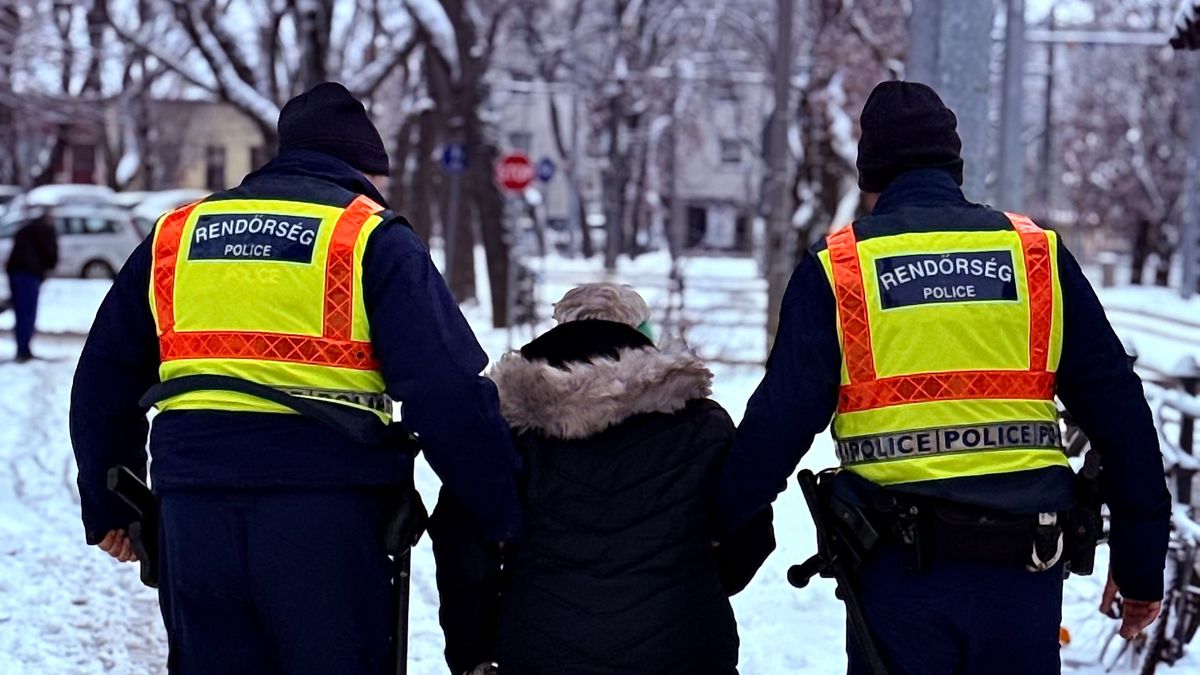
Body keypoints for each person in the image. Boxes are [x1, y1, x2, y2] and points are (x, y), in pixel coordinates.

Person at [716, 81, 1171, 675]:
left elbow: (775, 428)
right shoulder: (1036, 259)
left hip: (895, 577)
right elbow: (1123, 417)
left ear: (868, 175)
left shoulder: (841, 270)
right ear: (955, 167)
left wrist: (712, 532)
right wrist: (1140, 565)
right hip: (1025, 574)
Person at [70, 82, 523, 673]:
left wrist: (109, 503)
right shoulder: (369, 237)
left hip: (194, 513)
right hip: (326, 517)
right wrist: (503, 511)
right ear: (366, 171)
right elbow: (448, 393)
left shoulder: (175, 235)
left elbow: (103, 378)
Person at [429, 283, 775, 675]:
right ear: (640, 332)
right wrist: (690, 586)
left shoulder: (504, 429)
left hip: (540, 651)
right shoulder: (703, 425)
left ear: (560, 327)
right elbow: (752, 534)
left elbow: (463, 545)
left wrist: (471, 651)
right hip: (684, 650)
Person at [5, 211, 58, 362]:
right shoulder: (44, 231)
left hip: (17, 271)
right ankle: (23, 350)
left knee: (21, 312)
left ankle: (23, 348)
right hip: (29, 274)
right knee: (27, 313)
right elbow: (50, 253)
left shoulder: (27, 229)